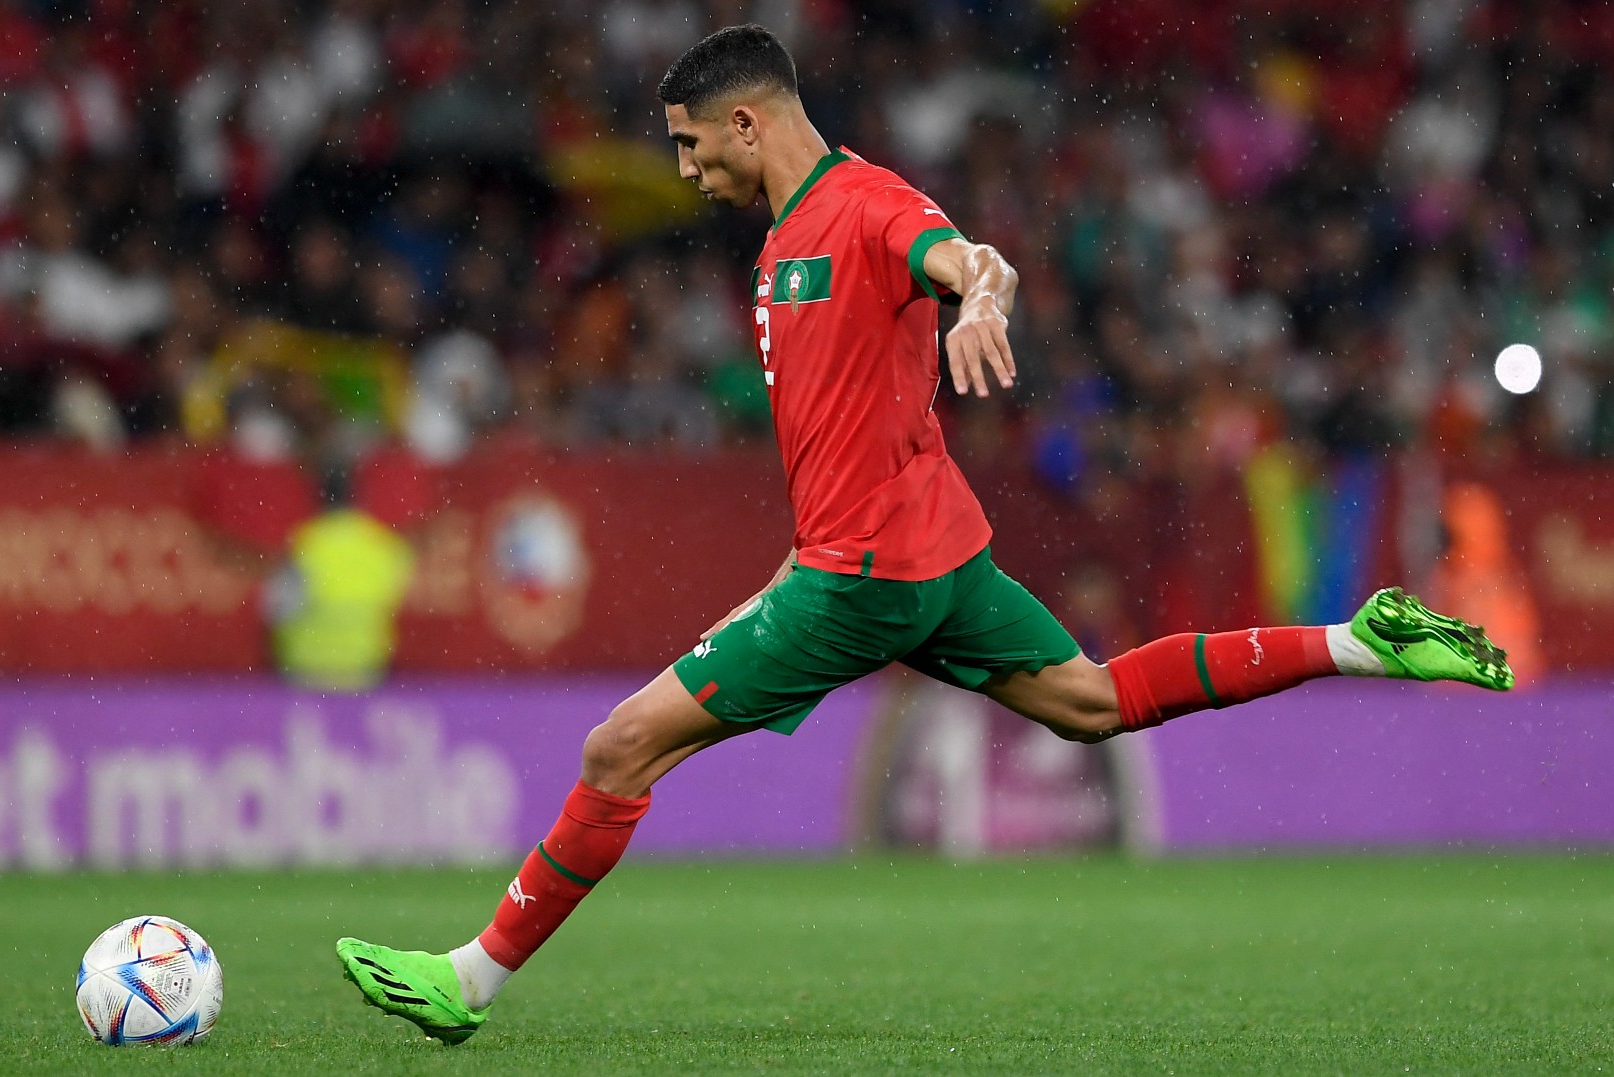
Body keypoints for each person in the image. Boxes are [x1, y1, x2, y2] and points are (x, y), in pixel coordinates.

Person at [333, 25, 1513, 1045]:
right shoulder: (782, 237)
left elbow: (968, 258)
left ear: (747, 122)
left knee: (617, 749)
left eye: (692, 144)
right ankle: (1359, 642)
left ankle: (469, 980)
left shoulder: (862, 204)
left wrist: (978, 305)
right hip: (932, 560)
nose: (684, 169)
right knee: (1093, 702)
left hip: (864, 580)